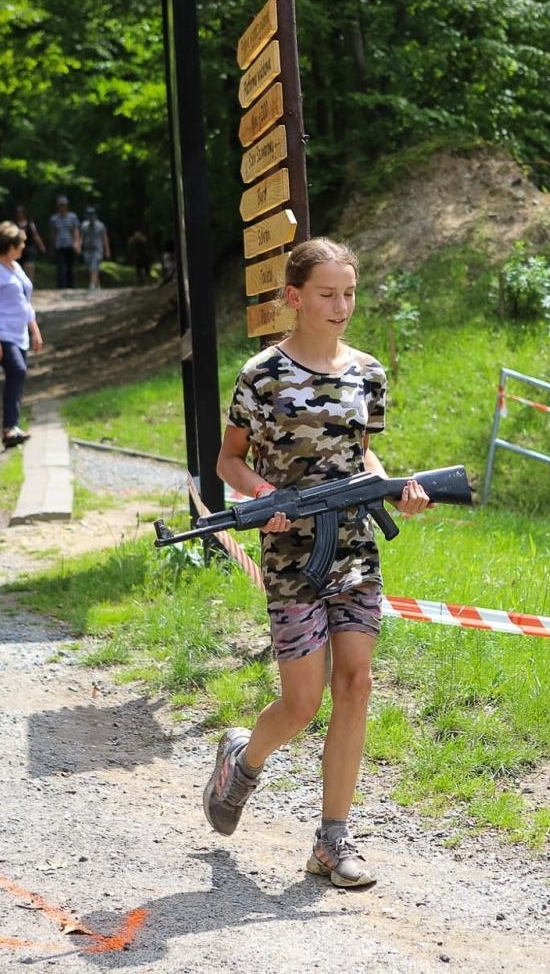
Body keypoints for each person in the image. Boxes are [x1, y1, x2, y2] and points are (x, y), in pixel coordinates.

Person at [203, 237, 430, 889]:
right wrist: (261, 495)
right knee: (301, 703)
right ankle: (243, 759)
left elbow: (363, 455)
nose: (341, 306)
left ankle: (333, 842)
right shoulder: (261, 375)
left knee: (355, 683)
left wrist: (396, 489)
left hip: (354, 549)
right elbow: (228, 461)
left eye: (349, 293)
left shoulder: (367, 372)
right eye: (327, 294)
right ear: (294, 298)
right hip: (291, 557)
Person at [0, 221, 43, 449]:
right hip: (0, 331)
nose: (24, 247)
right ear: (9, 246)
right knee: (17, 370)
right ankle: (9, 428)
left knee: (18, 376)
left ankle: (12, 428)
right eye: (21, 243)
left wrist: (35, 330)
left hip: (18, 332)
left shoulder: (16, 267)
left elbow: (25, 302)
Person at [49, 196, 81, 291]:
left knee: (70, 266)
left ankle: (71, 286)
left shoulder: (73, 217)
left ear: (67, 206)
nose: (62, 207)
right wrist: (52, 245)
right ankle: (61, 287)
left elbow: (76, 230)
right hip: (59, 245)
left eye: (64, 205)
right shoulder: (54, 218)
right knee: (61, 267)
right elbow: (53, 233)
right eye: (60, 205)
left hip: (70, 244)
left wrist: (77, 243)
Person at [79, 206, 111, 293]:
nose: (91, 217)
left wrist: (107, 250)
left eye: (92, 215)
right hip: (87, 250)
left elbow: (104, 238)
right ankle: (97, 285)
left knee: (94, 266)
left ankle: (92, 285)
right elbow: (82, 237)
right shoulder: (84, 225)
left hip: (97, 250)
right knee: (91, 268)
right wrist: (79, 246)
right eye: (89, 215)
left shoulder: (100, 225)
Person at [12, 204, 45, 280]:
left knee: (29, 267)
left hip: (29, 248)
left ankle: (29, 283)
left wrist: (41, 245)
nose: (19, 214)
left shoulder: (30, 224)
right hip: (18, 249)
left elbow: (36, 235)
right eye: (18, 212)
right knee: (17, 269)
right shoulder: (14, 225)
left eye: (20, 212)